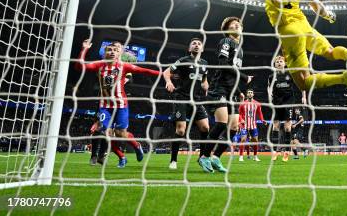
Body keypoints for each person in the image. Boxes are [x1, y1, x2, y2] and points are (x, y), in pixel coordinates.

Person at [75, 39, 160, 167]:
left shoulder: (124, 66)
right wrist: (84, 49)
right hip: (104, 105)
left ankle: (137, 146)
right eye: (110, 49)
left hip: (121, 105)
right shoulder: (99, 65)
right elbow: (78, 67)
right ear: (104, 53)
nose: (113, 51)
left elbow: (144, 71)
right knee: (105, 132)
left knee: (120, 133)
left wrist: (163, 74)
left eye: (116, 49)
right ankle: (120, 157)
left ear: (120, 52)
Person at [198, 17, 252, 173]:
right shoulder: (226, 42)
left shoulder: (240, 48)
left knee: (234, 127)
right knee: (221, 123)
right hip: (219, 88)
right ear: (227, 30)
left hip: (232, 91)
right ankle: (204, 156)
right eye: (232, 25)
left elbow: (232, 74)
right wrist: (245, 77)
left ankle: (216, 158)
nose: (236, 26)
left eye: (238, 24)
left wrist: (239, 91)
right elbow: (223, 65)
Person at [163, 37, 210, 170]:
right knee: (181, 130)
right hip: (182, 98)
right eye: (193, 43)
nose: (196, 45)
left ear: (202, 48)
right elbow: (166, 71)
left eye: (199, 44)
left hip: (196, 100)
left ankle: (202, 158)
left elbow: (204, 81)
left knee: (205, 128)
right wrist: (169, 82)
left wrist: (208, 89)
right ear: (189, 48)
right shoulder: (183, 61)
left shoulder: (204, 64)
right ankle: (173, 160)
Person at [268, 55, 304, 160]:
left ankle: (287, 152)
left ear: (285, 64)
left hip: (288, 103)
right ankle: (274, 152)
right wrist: (269, 99)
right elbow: (269, 89)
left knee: (287, 127)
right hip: (276, 103)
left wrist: (303, 96)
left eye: (281, 61)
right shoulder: (271, 76)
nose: (279, 63)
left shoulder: (290, 74)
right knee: (275, 126)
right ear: (275, 64)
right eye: (277, 61)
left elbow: (301, 84)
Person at [238, 89, 266, 162]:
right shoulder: (243, 103)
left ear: (253, 94)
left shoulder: (257, 103)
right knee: (243, 139)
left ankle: (255, 156)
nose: (250, 94)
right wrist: (241, 120)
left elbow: (260, 113)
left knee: (255, 140)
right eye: (248, 93)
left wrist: (262, 120)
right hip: (244, 124)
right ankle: (241, 156)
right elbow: (239, 113)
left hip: (253, 124)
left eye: (251, 93)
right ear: (247, 94)